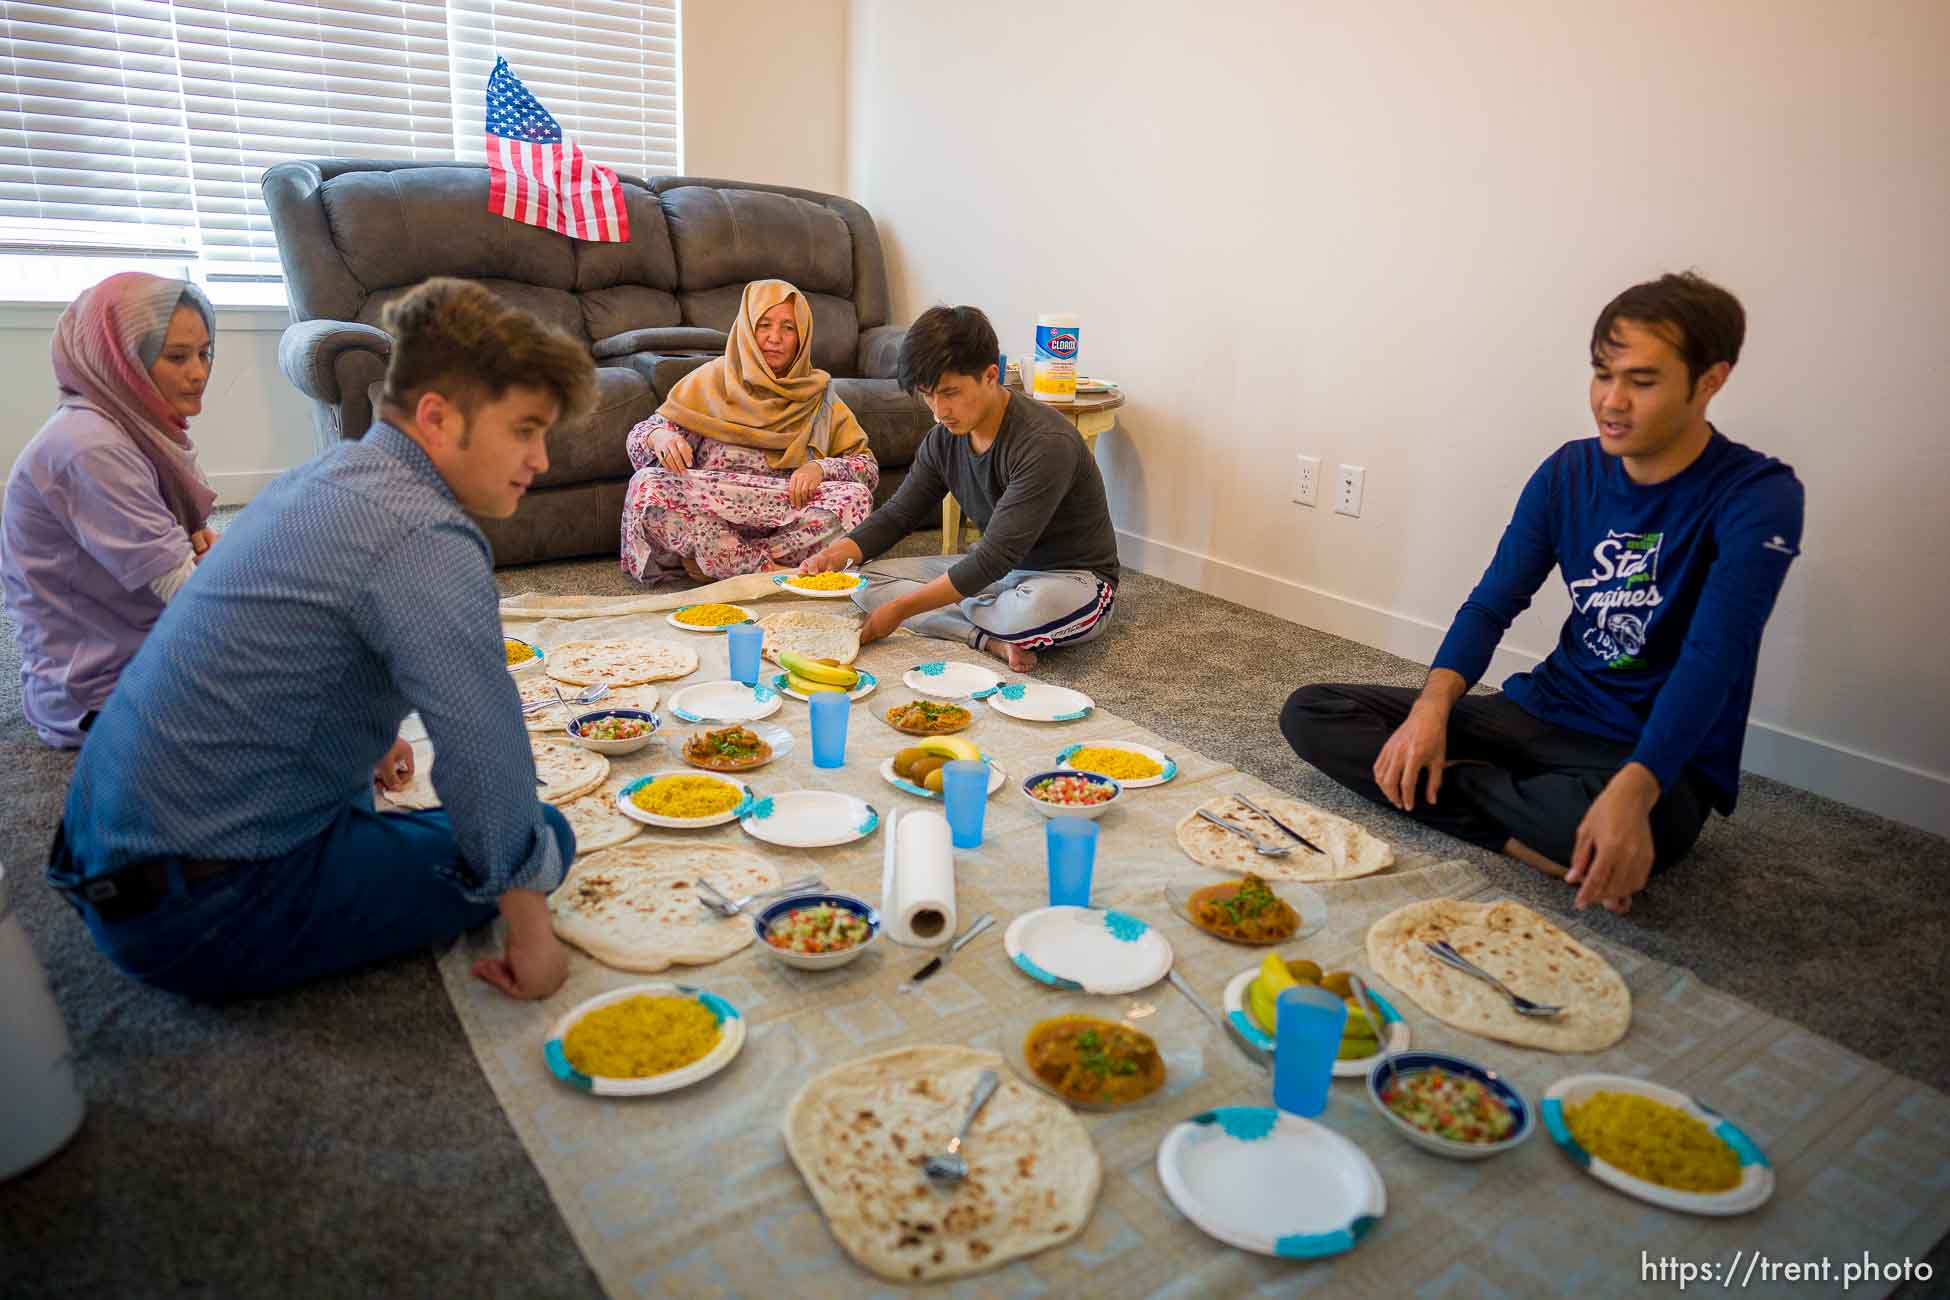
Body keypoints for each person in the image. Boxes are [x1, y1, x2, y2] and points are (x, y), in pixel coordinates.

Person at [46, 278, 596, 1003]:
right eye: (524, 429)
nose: (542, 461)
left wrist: (362, 737)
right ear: (436, 417)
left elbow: (288, 646)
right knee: (544, 835)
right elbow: (482, 745)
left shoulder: (319, 478)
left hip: (101, 858)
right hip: (196, 914)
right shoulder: (424, 534)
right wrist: (531, 931)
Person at [1283, 272, 1803, 915]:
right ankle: (1528, 839)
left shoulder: (1760, 496)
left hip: (1650, 755)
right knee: (1313, 713)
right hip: (1541, 712)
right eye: (1602, 374)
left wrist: (1634, 790)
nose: (1612, 402)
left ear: (1711, 381)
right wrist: (1431, 712)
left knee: (1650, 831)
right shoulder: (1569, 470)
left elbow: (1712, 661)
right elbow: (1492, 602)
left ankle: (1520, 811)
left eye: (1641, 382)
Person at [798, 305, 1118, 672]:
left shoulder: (1045, 443)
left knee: (1022, 615)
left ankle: (973, 615)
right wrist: (834, 556)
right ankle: (983, 636)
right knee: (861, 583)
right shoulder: (943, 439)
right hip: (996, 575)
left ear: (990, 375)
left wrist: (903, 609)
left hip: (1068, 579)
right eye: (928, 395)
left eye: (950, 393)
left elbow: (994, 557)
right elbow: (899, 514)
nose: (938, 410)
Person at [2, 272, 221, 747]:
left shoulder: (133, 427)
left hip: (143, 648)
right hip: (102, 693)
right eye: (177, 356)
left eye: (205, 353)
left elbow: (189, 565)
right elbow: (194, 599)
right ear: (122, 360)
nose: (199, 371)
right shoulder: (90, 447)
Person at [620, 278, 879, 581]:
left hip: (782, 511)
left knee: (856, 498)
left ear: (803, 336)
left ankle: (723, 563)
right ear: (746, 329)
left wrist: (820, 469)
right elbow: (643, 435)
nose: (775, 338)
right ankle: (769, 570)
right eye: (764, 325)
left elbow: (867, 468)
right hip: (713, 513)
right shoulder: (711, 381)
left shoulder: (818, 396)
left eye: (788, 328)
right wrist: (659, 437)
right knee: (647, 485)